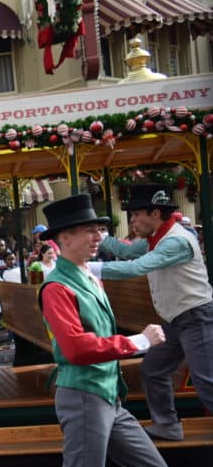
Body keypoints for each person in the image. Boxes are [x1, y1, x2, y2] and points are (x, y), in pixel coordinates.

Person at [36, 195, 172, 467]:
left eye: (99, 228)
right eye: (90, 229)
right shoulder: (56, 286)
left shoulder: (87, 275)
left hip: (107, 397)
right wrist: (137, 343)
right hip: (83, 397)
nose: (99, 235)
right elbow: (76, 348)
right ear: (64, 237)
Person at [91, 184, 213, 441]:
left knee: (207, 383)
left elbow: (136, 267)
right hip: (176, 320)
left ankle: (167, 424)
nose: (132, 221)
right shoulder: (156, 237)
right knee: (153, 370)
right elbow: (126, 251)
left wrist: (85, 268)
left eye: (136, 214)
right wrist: (98, 237)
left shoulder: (176, 241)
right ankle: (167, 425)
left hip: (196, 317)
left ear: (155, 213)